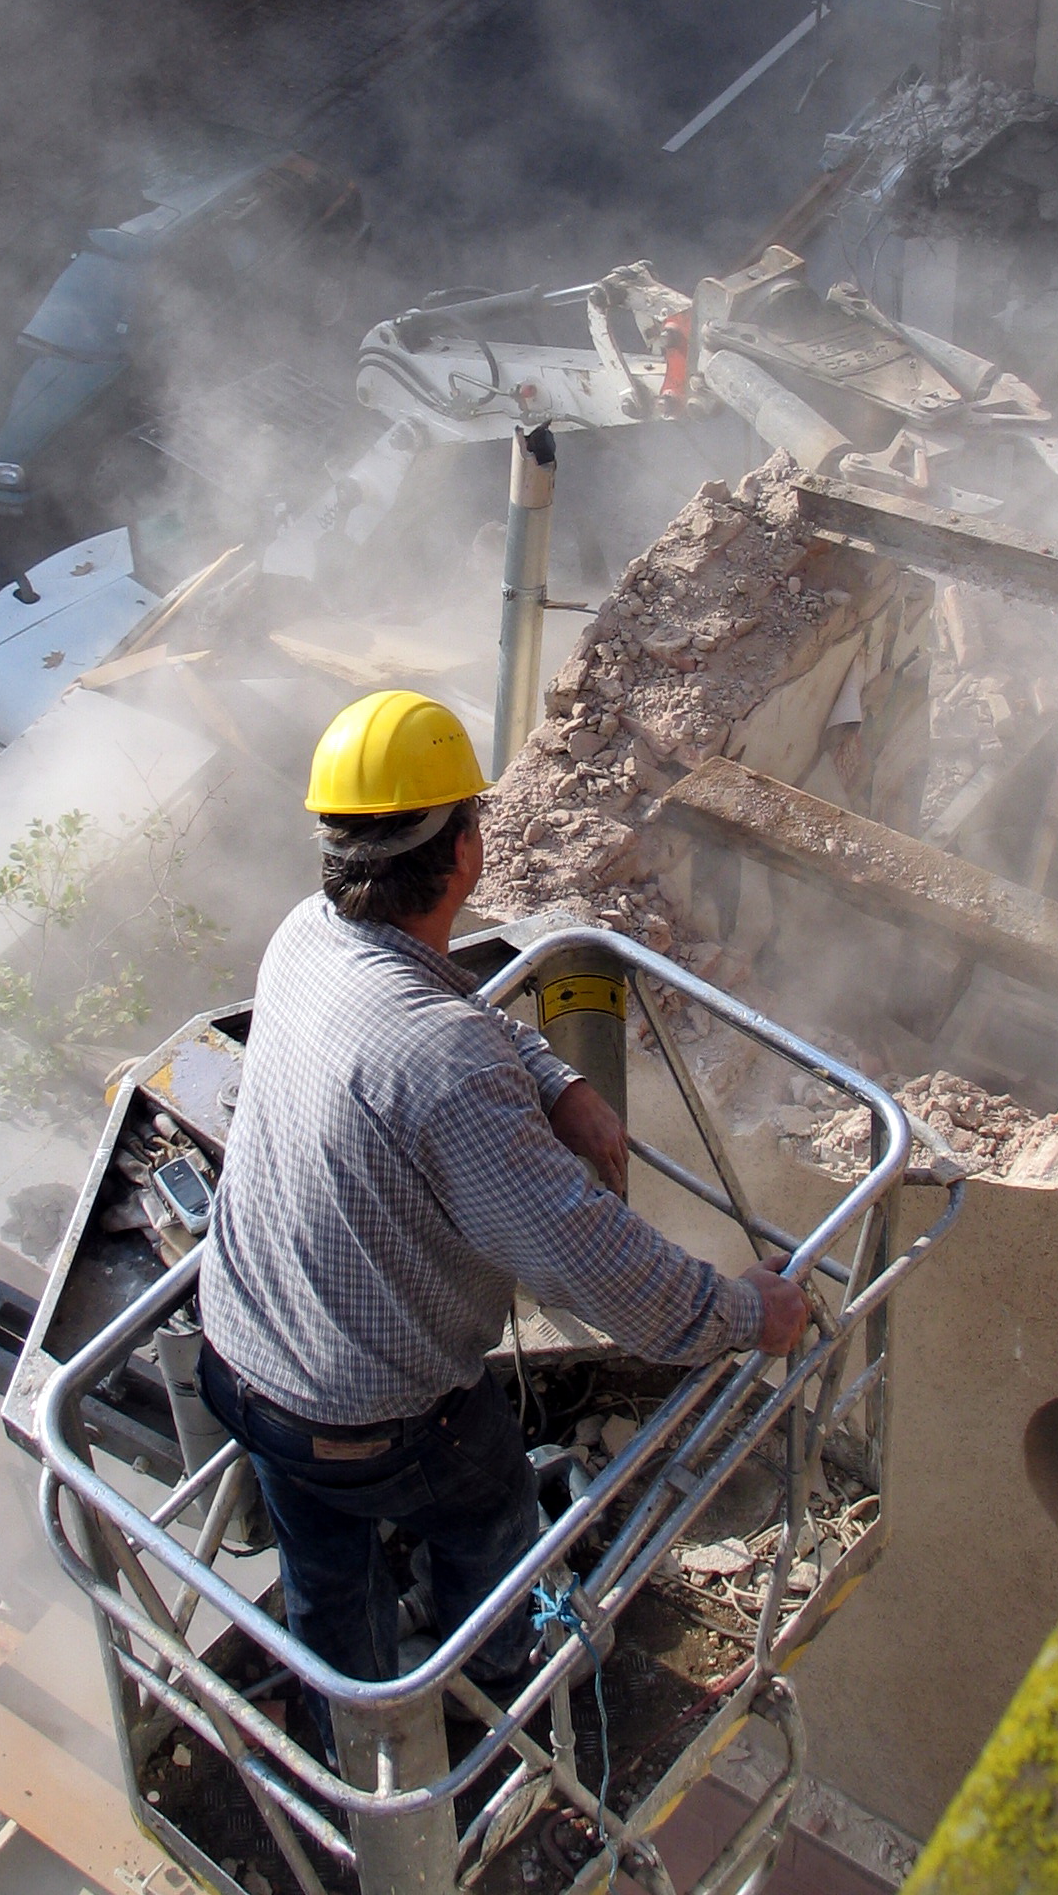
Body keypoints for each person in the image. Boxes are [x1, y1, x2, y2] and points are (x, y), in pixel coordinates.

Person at [198, 688, 810, 1703]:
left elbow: (445, 1014)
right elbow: (608, 1277)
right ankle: (493, 1686)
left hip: (240, 1360)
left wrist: (555, 1079)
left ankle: (349, 1721)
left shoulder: (307, 936)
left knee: (324, 1565)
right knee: (489, 1510)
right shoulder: (443, 1067)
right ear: (465, 852)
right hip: (372, 1420)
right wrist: (751, 1312)